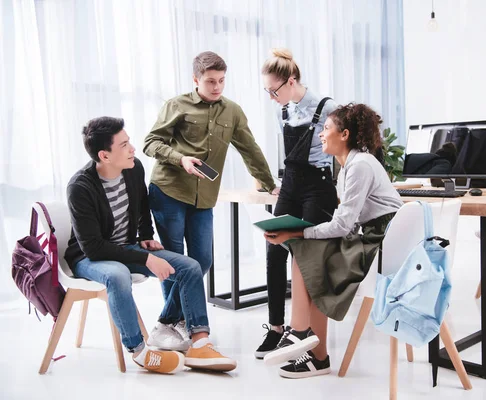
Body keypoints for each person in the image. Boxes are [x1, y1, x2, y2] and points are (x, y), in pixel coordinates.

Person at [65, 116, 236, 373]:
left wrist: (145, 234)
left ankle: (199, 342)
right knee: (119, 275)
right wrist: (146, 259)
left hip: (128, 246)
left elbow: (142, 204)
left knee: (190, 266)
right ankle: (140, 352)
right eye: (124, 145)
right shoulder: (80, 187)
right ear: (105, 155)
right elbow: (94, 248)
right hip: (90, 257)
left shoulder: (133, 169)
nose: (133, 148)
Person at [143, 51, 276, 350]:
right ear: (196, 80)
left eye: (221, 81)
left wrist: (270, 183)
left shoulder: (233, 111)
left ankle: (167, 321)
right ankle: (183, 325)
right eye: (210, 81)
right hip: (169, 190)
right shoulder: (176, 105)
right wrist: (180, 159)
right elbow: (150, 143)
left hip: (204, 197)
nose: (217, 87)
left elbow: (250, 149)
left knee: (202, 260)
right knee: (174, 260)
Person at [262, 103, 403, 378]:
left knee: (307, 249)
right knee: (310, 253)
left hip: (384, 244)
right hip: (375, 236)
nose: (321, 135)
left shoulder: (360, 165)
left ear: (345, 134)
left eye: (326, 129)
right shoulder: (352, 165)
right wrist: (297, 234)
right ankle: (310, 346)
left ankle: (303, 337)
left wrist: (295, 232)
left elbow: (342, 224)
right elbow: (345, 221)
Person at [254, 48, 338, 359]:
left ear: (291, 81)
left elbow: (340, 152)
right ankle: (277, 328)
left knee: (307, 257)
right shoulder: (283, 110)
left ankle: (307, 334)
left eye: (273, 90)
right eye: (267, 91)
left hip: (318, 186)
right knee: (274, 249)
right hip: (290, 184)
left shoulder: (329, 108)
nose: (271, 97)